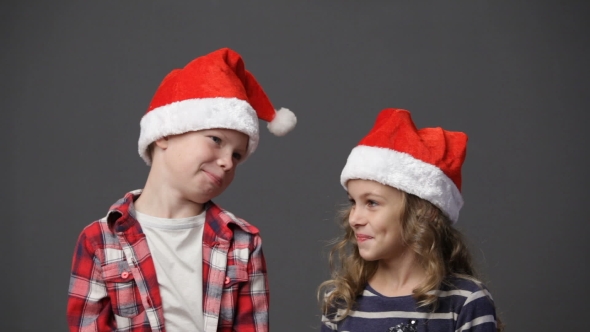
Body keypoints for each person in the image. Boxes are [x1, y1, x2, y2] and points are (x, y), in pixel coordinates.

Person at [67, 48, 296, 332]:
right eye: (215, 139)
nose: (227, 161)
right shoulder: (99, 241)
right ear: (164, 134)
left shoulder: (244, 243)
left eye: (237, 155)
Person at [318, 108, 502, 332]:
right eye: (353, 202)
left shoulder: (465, 301)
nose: (355, 218)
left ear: (425, 212)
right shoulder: (340, 302)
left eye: (372, 203)